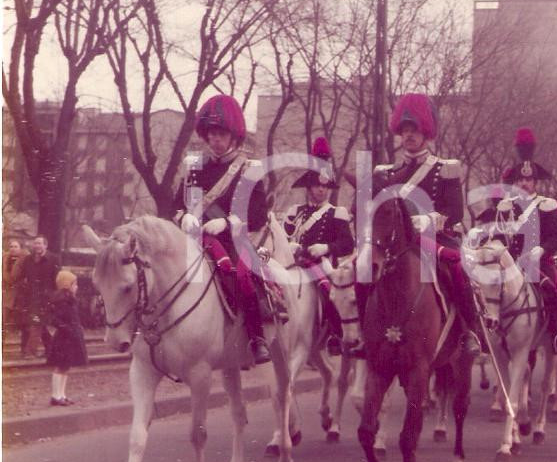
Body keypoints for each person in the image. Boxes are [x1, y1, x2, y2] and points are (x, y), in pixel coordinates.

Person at [371, 92, 482, 357]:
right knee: (360, 271)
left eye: (414, 129)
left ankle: (469, 331)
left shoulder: (445, 168)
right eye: (404, 130)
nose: (408, 135)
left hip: (434, 239)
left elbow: (454, 212)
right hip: (395, 242)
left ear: (426, 132)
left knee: (458, 271)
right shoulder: (384, 173)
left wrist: (423, 221)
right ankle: (363, 333)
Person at [173, 94, 272, 365]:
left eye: (220, 134)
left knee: (242, 275)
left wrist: (227, 222)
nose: (214, 139)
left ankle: (257, 338)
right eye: (211, 134)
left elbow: (258, 214)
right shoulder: (195, 166)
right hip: (195, 237)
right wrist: (182, 217)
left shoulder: (248, 169)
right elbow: (176, 203)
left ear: (233, 137)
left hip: (231, 240)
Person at [491, 127, 557, 352]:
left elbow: (555, 236)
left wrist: (541, 251)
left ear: (535, 182)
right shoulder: (505, 207)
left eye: (529, 180)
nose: (524, 184)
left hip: (538, 264)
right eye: (520, 180)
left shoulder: (545, 205)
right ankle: (485, 334)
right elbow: (497, 236)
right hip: (509, 264)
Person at [284, 136, 354, 353]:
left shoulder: (337, 213)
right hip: (294, 261)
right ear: (309, 186)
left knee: (328, 290)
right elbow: (285, 237)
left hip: (321, 262)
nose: (321, 190)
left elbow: (347, 244)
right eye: (317, 185)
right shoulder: (294, 212)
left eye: (325, 187)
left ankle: (334, 334)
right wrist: (290, 246)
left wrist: (326, 248)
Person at [13, 235, 60, 358]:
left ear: (45, 245)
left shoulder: (54, 259)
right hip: (31, 297)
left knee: (36, 323)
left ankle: (30, 352)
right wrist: (23, 288)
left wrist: (54, 296)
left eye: (39, 243)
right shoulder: (28, 259)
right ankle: (51, 349)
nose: (37, 246)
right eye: (35, 243)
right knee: (39, 324)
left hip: (46, 298)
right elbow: (21, 276)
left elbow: (57, 279)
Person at [47, 269, 88, 406]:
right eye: (74, 284)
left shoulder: (69, 299)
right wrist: (69, 329)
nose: (76, 287)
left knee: (66, 366)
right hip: (64, 338)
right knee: (61, 366)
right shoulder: (62, 300)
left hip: (69, 337)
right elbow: (56, 320)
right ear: (67, 284)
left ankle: (61, 395)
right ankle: (55, 396)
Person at [3, 239, 24, 340]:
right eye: (11, 246)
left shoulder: (25, 259)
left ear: (20, 248)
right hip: (7, 289)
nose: (13, 249)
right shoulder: (5, 259)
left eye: (16, 246)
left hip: (20, 290)